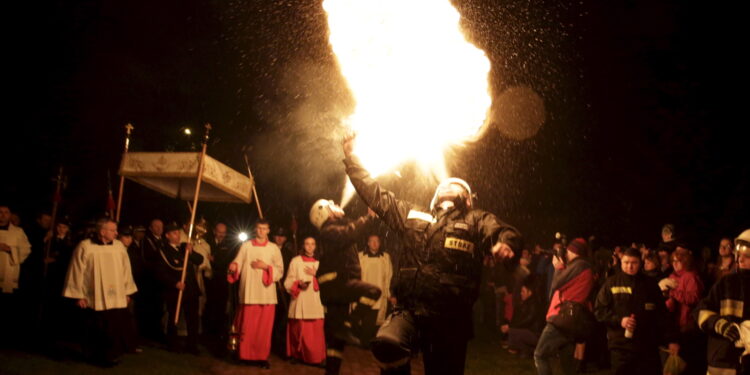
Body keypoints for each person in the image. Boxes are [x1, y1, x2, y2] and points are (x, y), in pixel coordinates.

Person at [342, 135, 522, 375]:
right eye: (446, 184)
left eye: (458, 185)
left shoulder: (475, 219)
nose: (449, 184)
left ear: (467, 199)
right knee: (387, 347)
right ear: (436, 196)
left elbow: (502, 230)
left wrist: (506, 243)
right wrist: (352, 159)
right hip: (409, 311)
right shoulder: (412, 214)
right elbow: (376, 195)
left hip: (450, 318)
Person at [309, 199, 382, 375]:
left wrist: (369, 219)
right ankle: (350, 323)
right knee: (373, 292)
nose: (336, 203)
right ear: (323, 213)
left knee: (336, 342)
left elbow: (352, 231)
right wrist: (368, 217)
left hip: (334, 286)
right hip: (336, 285)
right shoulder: (329, 230)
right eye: (330, 204)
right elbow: (350, 233)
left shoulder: (336, 228)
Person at [62, 218, 138, 365]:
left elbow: (126, 270)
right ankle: (91, 355)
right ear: (102, 231)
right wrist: (78, 295)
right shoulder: (85, 246)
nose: (116, 233)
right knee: (94, 327)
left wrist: (127, 292)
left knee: (113, 326)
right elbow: (77, 271)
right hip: (93, 295)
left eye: (116, 230)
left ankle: (111, 355)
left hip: (115, 296)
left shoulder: (119, 247)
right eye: (112, 230)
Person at [594, 248, 679, 374]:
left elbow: (662, 314)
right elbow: (599, 310)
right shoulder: (611, 283)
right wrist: (619, 320)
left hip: (647, 346)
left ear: (640, 263)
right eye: (626, 262)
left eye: (634, 263)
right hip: (620, 347)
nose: (630, 266)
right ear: (621, 262)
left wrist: (672, 340)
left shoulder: (650, 285)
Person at [228, 219, 283, 369]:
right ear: (255, 229)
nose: (261, 231)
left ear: (268, 230)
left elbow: (280, 270)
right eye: (259, 228)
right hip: (249, 292)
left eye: (264, 228)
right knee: (247, 326)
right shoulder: (246, 246)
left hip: (267, 295)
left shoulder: (273, 248)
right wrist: (234, 266)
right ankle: (244, 355)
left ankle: (261, 357)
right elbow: (238, 261)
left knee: (263, 329)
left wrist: (265, 267)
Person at [534, 238, 594, 375]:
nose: (566, 253)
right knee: (566, 361)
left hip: (562, 318)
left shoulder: (580, 266)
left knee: (540, 355)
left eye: (568, 250)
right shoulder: (580, 266)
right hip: (569, 320)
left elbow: (556, 284)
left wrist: (558, 268)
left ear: (574, 251)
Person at [695, 229, 750, 375]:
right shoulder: (726, 283)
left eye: (747, 256)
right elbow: (701, 311)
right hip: (723, 363)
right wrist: (720, 325)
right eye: (739, 255)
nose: (740, 260)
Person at [155, 222, 204, 354]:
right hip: (175, 290)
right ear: (168, 235)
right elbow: (161, 272)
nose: (178, 236)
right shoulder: (164, 251)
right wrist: (174, 283)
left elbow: (199, 260)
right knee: (173, 317)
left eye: (178, 233)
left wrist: (191, 251)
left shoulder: (184, 247)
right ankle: (172, 344)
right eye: (175, 233)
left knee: (192, 318)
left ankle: (192, 345)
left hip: (191, 289)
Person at [659, 247, 705, 374]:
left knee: (685, 364)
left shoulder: (691, 277)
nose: (675, 264)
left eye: (678, 261)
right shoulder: (672, 276)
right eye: (673, 261)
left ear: (686, 261)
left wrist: (673, 292)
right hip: (674, 326)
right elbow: (668, 305)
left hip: (687, 326)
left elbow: (693, 299)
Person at [284, 236, 326, 365]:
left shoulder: (321, 263)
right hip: (300, 300)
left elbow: (328, 282)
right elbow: (288, 281)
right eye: (307, 244)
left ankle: (315, 358)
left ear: (315, 246)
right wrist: (298, 284)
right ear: (303, 245)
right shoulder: (295, 261)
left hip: (315, 301)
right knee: (298, 330)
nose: (310, 246)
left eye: (312, 244)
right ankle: (297, 355)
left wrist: (316, 274)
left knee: (315, 332)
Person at [351, 234, 393, 347]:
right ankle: (363, 342)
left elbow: (388, 276)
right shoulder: (360, 257)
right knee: (364, 318)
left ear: (379, 243)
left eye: (377, 241)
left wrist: (388, 294)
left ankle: (368, 343)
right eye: (372, 241)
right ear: (368, 243)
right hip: (364, 293)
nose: (374, 243)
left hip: (379, 294)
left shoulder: (385, 257)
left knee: (375, 320)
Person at [203, 222, 238, 352]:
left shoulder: (229, 245)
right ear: (214, 231)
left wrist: (215, 260)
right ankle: (208, 334)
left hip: (222, 281)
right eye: (219, 231)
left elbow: (228, 261)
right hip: (209, 280)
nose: (221, 234)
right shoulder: (208, 242)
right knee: (209, 306)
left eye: (224, 232)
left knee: (221, 308)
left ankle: (220, 334)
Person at [0, 204, 31, 345]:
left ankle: (6, 338)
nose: (3, 215)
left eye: (6, 212)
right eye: (0, 212)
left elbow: (26, 249)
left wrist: (10, 249)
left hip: (8, 271)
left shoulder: (18, 232)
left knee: (6, 307)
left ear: (10, 214)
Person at [506, 278, 545, 358]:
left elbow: (528, 320)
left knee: (513, 332)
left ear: (530, 293)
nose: (521, 293)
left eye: (523, 291)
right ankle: (524, 350)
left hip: (536, 334)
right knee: (513, 331)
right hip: (532, 332)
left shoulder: (534, 304)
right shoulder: (526, 303)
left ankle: (526, 350)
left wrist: (511, 327)